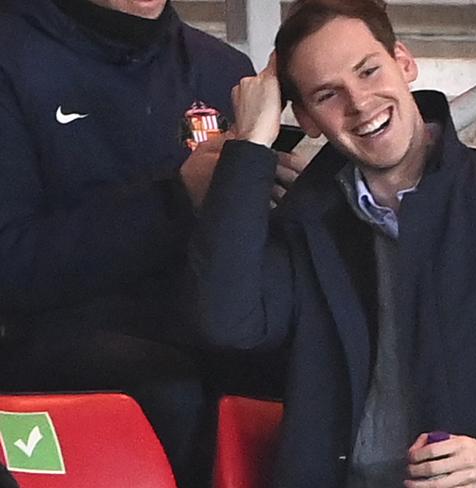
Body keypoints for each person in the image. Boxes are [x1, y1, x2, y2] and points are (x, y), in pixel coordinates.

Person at [189, 0, 476, 486]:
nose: (360, 103)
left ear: (404, 62)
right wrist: (250, 148)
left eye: (368, 71)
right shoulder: (307, 223)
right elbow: (226, 323)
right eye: (328, 95)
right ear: (304, 118)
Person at [0, 0, 303, 486]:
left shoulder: (221, 68)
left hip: (206, 324)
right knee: (171, 385)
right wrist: (178, 196)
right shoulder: (12, 52)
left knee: (320, 359)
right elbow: (11, 266)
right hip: (58, 336)